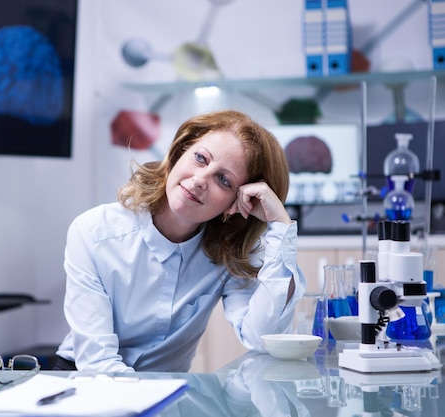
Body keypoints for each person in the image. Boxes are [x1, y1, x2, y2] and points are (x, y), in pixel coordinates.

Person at [54, 109, 306, 372]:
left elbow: (263, 338)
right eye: (200, 158)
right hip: (88, 380)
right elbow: (98, 363)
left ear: (240, 201)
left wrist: (280, 225)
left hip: (165, 392)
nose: (199, 181)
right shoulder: (95, 232)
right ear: (179, 153)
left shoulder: (229, 252)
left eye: (223, 180)